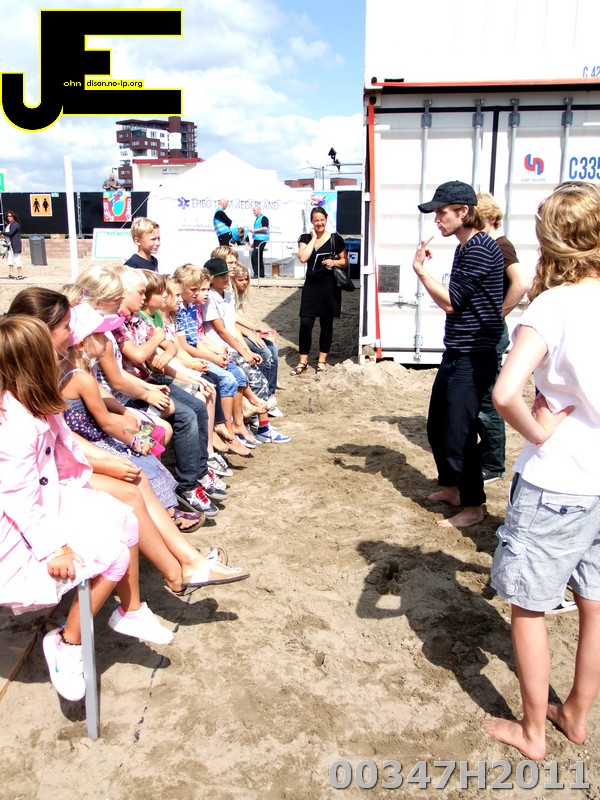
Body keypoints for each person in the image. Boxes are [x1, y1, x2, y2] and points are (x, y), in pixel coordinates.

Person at [483, 181, 600, 760]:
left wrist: (538, 431)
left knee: (529, 606)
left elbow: (506, 393)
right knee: (595, 602)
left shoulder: (554, 305)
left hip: (559, 479)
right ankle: (575, 712)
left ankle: (532, 732)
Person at [0, 315, 174, 701]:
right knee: (117, 540)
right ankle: (68, 641)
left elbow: (72, 446)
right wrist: (54, 548)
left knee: (127, 515)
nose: (62, 351)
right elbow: (18, 496)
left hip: (58, 488)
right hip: (26, 519)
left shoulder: (42, 398)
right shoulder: (21, 421)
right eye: (52, 349)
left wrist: (137, 442)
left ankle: (135, 607)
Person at [413, 180, 504, 528]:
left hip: (473, 355)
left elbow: (451, 302)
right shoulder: (467, 247)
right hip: (458, 351)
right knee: (438, 426)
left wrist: (421, 272)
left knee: (459, 433)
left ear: (463, 212)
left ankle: (473, 505)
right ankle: (452, 489)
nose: (437, 220)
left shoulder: (479, 248)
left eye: (442, 213)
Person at [202, 257, 291, 444]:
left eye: (226, 274)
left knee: (260, 373)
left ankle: (257, 425)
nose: (225, 278)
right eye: (220, 276)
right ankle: (252, 425)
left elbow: (231, 324)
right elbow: (221, 330)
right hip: (221, 349)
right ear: (211, 278)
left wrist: (248, 341)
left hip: (230, 346)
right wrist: (243, 351)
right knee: (255, 380)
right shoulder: (210, 298)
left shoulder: (226, 295)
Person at [475, 192, 531, 483]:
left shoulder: (501, 245)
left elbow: (521, 283)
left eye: (477, 220)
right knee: (481, 398)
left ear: (490, 218)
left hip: (492, 332)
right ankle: (486, 457)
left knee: (488, 400)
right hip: (487, 332)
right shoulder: (492, 245)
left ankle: (493, 464)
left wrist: (499, 313)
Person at [291, 206, 348, 375]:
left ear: (326, 219)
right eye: (316, 220)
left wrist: (334, 262)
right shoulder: (305, 238)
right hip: (311, 285)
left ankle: (322, 361)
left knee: (326, 324)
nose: (319, 223)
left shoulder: (335, 239)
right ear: (312, 221)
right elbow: (303, 257)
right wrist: (314, 238)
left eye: (322, 220)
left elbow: (345, 261)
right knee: (305, 323)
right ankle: (303, 361)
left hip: (329, 286)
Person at [231, 260, 282, 408]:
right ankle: (264, 395)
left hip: (241, 330)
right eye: (240, 280)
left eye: (246, 279)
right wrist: (252, 331)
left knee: (272, 348)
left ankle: (271, 390)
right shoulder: (229, 294)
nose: (244, 283)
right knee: (265, 352)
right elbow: (232, 322)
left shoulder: (239, 295)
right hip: (234, 334)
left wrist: (256, 330)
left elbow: (239, 318)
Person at [250, 204, 269, 278]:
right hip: (257, 240)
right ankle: (261, 274)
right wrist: (253, 243)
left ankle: (257, 273)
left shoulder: (264, 218)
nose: (253, 212)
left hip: (262, 240)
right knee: (259, 256)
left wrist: (255, 230)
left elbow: (265, 228)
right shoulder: (257, 219)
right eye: (253, 211)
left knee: (255, 256)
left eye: (254, 210)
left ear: (259, 210)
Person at [3, 210, 23, 280]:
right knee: (10, 259)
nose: (9, 217)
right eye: (8, 216)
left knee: (17, 259)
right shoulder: (9, 224)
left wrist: (2, 233)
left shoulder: (15, 224)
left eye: (10, 216)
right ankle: (11, 273)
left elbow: (10, 233)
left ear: (13, 216)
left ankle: (20, 274)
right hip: (9, 245)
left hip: (15, 244)